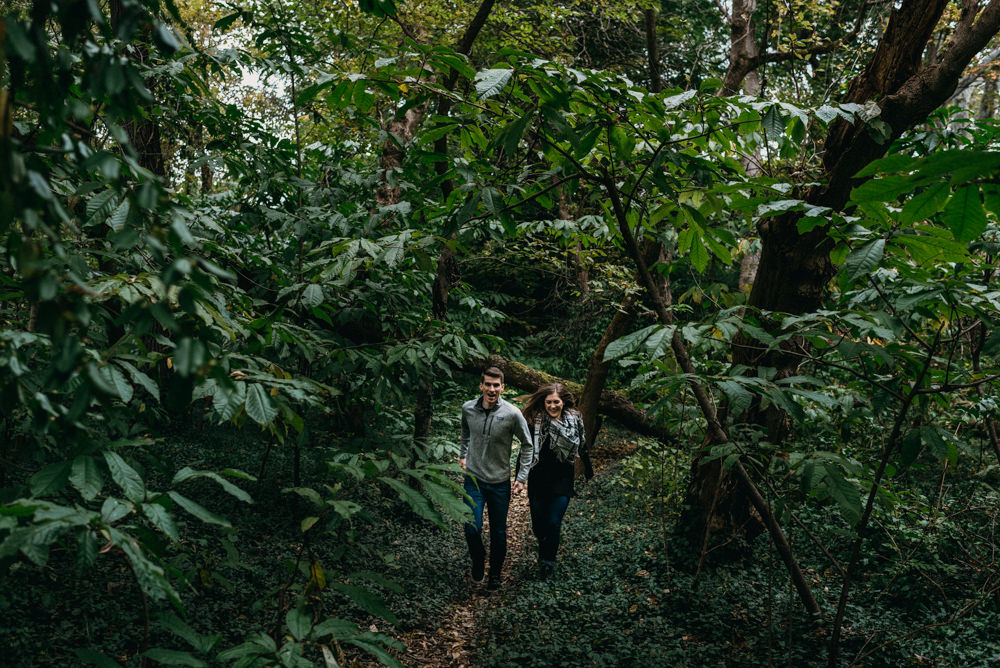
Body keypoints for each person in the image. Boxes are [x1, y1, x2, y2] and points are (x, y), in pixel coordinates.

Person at [460, 366, 534, 592]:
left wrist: (521, 478)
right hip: (473, 480)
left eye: (496, 385)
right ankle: (478, 560)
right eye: (488, 384)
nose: (492, 389)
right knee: (471, 526)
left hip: (499, 483)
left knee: (498, 532)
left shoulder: (512, 413)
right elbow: (465, 434)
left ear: (503, 387)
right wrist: (463, 455)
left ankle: (495, 576)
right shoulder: (467, 409)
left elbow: (527, 444)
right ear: (481, 386)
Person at [522, 383, 593, 581]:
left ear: (563, 402)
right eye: (548, 402)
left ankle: (547, 564)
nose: (552, 406)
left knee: (554, 522)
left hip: (562, 480)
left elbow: (583, 445)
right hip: (537, 480)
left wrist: (589, 469)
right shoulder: (534, 422)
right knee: (539, 526)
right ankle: (544, 545)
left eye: (556, 402)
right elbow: (525, 451)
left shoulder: (573, 420)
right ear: (543, 402)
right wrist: (520, 477)